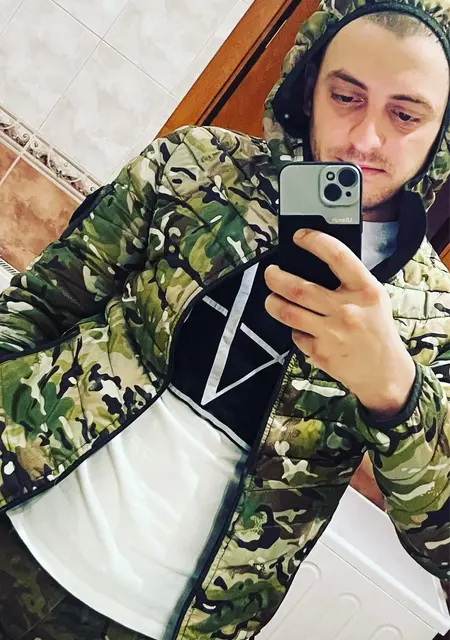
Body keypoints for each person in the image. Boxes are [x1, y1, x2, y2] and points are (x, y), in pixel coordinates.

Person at [0, 0, 449, 638]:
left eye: (404, 115)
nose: (365, 139)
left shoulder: (432, 314)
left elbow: (443, 545)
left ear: (441, 132)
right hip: (15, 513)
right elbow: (41, 304)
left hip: (153, 626)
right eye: (346, 96)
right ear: (310, 88)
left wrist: (395, 389)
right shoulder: (197, 165)